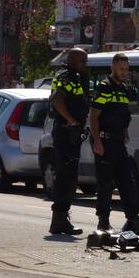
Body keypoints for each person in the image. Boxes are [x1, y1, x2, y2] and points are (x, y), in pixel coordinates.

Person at [89, 53, 139, 234]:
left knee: (127, 181)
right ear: (112, 67)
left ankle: (133, 221)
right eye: (121, 69)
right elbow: (94, 117)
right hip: (104, 141)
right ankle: (103, 222)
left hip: (118, 141)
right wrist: (97, 142)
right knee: (105, 183)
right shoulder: (104, 88)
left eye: (126, 69)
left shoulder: (123, 89)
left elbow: (122, 115)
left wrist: (125, 132)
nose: (124, 72)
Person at [47, 48, 89, 236]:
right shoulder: (66, 76)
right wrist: (70, 120)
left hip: (71, 134)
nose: (84, 65)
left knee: (69, 177)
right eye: (82, 61)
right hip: (66, 133)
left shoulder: (74, 77)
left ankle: (61, 220)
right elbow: (57, 99)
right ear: (72, 60)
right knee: (65, 177)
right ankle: (59, 222)